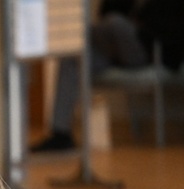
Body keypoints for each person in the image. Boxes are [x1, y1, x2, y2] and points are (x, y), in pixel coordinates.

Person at [33, 0, 148, 151]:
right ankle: (61, 134)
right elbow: (104, 13)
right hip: (110, 52)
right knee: (72, 56)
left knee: (114, 22)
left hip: (143, 51)